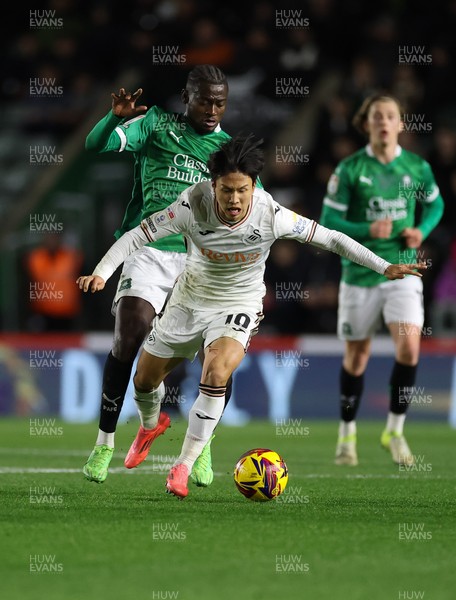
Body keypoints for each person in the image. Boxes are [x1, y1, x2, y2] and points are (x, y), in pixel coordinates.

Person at [77, 135, 426, 498]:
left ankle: (183, 464)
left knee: (216, 371)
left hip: (238, 304)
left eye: (242, 189)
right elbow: (137, 235)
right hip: (188, 300)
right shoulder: (191, 204)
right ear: (213, 185)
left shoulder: (270, 213)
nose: (234, 199)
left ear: (253, 185)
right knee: (144, 381)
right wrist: (102, 272)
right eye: (226, 190)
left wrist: (383, 266)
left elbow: (332, 238)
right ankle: (151, 426)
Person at [82, 65, 232, 485]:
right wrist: (115, 117)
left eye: (221, 102)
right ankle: (105, 443)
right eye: (205, 99)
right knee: (129, 335)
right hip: (147, 250)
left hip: (201, 262)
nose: (213, 109)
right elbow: (97, 144)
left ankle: (200, 450)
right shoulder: (155, 125)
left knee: (216, 357)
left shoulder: (226, 151)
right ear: (188, 97)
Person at [320, 93, 444, 467]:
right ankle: (347, 435)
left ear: (401, 124)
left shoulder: (417, 167)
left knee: (409, 348)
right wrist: (366, 227)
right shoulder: (350, 169)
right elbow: (327, 222)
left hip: (404, 270)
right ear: (367, 124)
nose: (384, 122)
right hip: (360, 273)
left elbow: (435, 204)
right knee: (357, 357)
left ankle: (394, 430)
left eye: (391, 116)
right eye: (377, 116)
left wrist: (421, 230)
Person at [26, 232, 83, 331]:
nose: (51, 241)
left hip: (67, 311)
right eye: (48, 238)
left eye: (54, 238)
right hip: (43, 311)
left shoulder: (71, 256)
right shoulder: (36, 257)